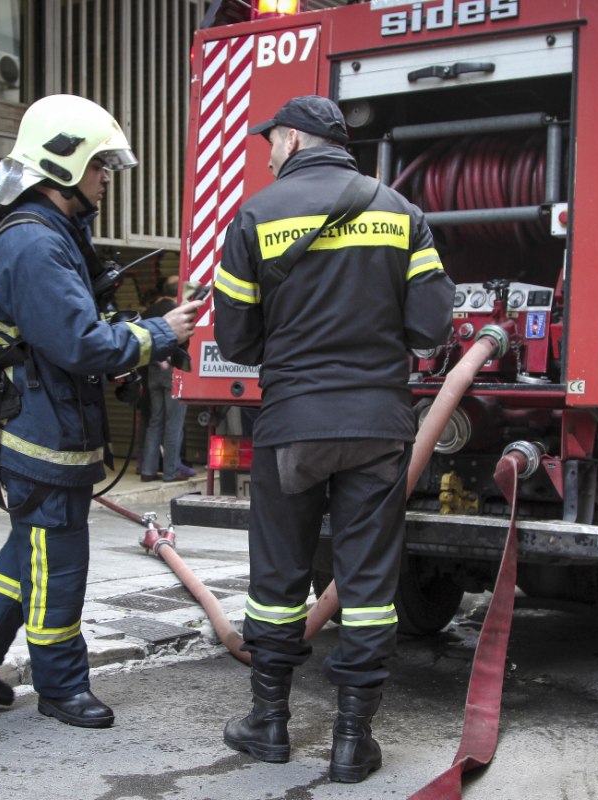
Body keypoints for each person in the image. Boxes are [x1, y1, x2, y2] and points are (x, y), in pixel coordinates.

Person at [0, 94, 201, 729]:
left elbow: (79, 332)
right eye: (100, 166)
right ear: (64, 165)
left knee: (30, 548)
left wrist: (140, 331)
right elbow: (80, 346)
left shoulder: (50, 236)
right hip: (40, 435)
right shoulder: (35, 246)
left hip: (39, 424)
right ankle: (61, 687)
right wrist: (160, 333)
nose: (106, 178)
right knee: (60, 562)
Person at [213, 95, 453, 782]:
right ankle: (352, 741)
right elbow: (432, 328)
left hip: (293, 426)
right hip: (378, 428)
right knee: (370, 585)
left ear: (292, 139)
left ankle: (269, 725)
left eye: (270, 142)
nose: (266, 154)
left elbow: (234, 337)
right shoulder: (400, 213)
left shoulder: (256, 214)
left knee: (279, 581)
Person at [138, 274, 196, 482]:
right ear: (179, 292)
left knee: (155, 421)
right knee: (174, 422)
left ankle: (148, 470)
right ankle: (171, 472)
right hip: (174, 372)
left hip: (152, 371)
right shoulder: (176, 312)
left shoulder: (149, 311)